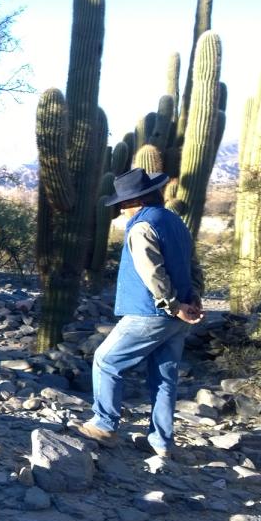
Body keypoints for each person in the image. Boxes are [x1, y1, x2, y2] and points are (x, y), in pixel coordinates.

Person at [73, 167, 204, 458]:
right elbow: (192, 265)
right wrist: (192, 299)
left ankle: (104, 425)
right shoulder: (176, 222)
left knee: (106, 360)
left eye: (123, 203)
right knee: (164, 376)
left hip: (151, 313)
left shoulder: (143, 226)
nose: (120, 209)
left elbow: (152, 273)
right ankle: (161, 442)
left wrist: (171, 304)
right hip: (179, 313)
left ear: (136, 201)